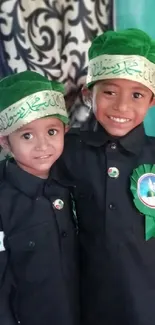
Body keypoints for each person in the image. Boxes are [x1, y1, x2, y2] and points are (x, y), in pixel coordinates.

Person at [58, 28, 155, 325]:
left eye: (136, 94)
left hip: (145, 307)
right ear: (89, 94)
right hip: (84, 306)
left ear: (151, 101)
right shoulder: (64, 150)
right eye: (109, 92)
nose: (122, 107)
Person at [0, 71, 79, 325]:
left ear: (65, 129)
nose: (43, 146)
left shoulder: (74, 184)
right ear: (5, 141)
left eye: (52, 132)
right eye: (27, 135)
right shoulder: (4, 202)